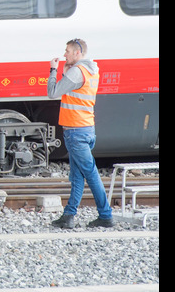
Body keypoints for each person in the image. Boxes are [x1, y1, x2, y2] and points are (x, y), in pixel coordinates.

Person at [47, 38, 114, 228]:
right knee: (76, 176)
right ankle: (68, 216)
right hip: (84, 129)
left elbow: (52, 92)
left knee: (91, 174)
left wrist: (54, 69)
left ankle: (106, 215)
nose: (64, 54)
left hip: (76, 131)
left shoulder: (77, 72)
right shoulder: (90, 70)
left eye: (67, 51)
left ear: (77, 53)